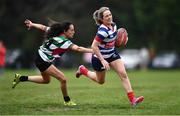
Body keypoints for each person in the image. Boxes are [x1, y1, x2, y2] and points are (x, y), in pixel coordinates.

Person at [12, 19, 93, 106]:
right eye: (71, 30)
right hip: (42, 60)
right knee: (63, 79)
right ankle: (67, 101)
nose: (74, 32)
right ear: (65, 31)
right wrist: (93, 51)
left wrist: (32, 24)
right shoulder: (63, 41)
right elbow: (78, 49)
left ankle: (20, 78)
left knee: (46, 80)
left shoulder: (55, 32)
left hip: (40, 57)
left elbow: (43, 27)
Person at [76, 7, 144, 106]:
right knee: (100, 81)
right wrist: (103, 60)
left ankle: (133, 99)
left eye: (110, 14)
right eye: (106, 16)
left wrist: (124, 39)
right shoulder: (102, 31)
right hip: (99, 58)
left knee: (123, 74)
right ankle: (83, 70)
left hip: (112, 54)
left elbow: (114, 39)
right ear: (102, 19)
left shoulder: (114, 25)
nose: (109, 17)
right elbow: (94, 46)